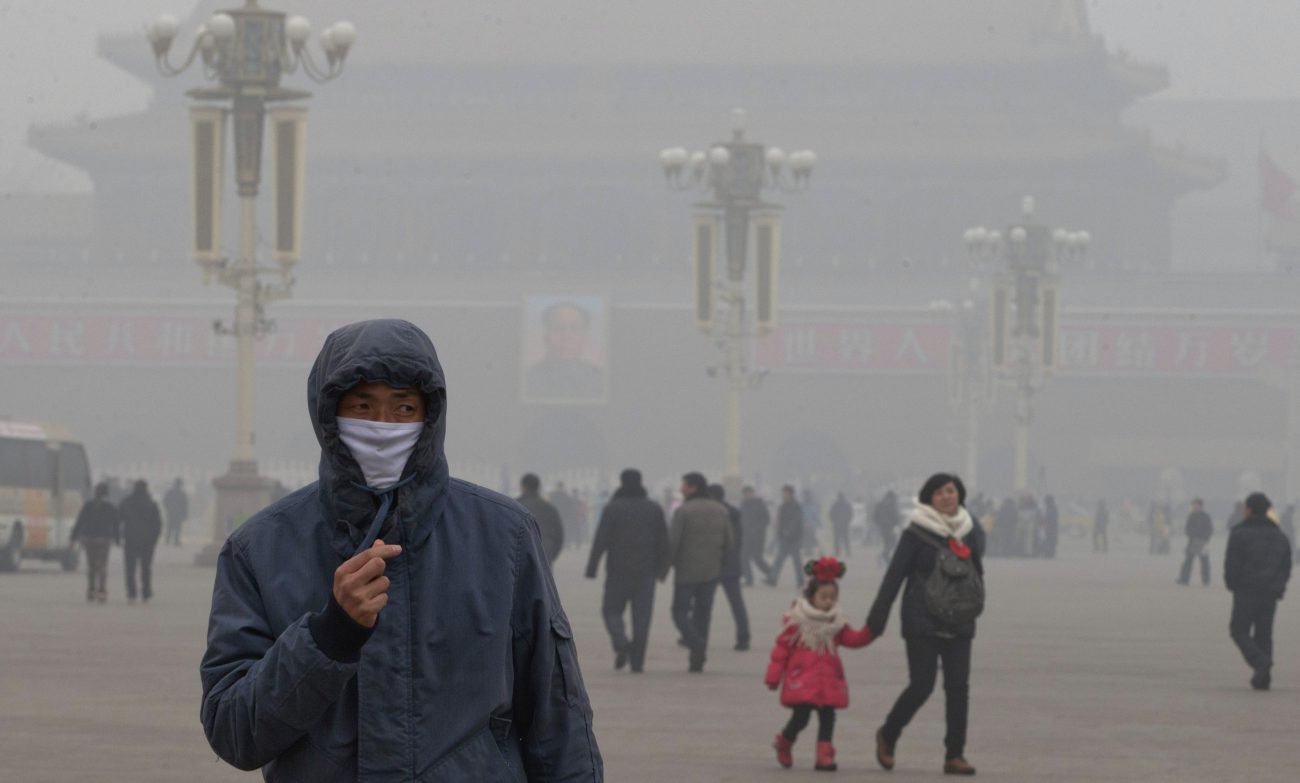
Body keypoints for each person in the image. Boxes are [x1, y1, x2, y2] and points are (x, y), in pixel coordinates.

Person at [200, 319, 602, 779]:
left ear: (430, 416)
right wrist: (328, 639)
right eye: (363, 407)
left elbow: (559, 718)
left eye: (404, 407)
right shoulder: (260, 549)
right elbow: (234, 732)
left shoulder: (504, 537)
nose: (382, 426)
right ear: (328, 414)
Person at [867, 473, 985, 777]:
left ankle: (955, 755)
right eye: (939, 492)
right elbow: (894, 577)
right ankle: (889, 734)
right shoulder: (916, 534)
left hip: (958, 619)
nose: (947, 496)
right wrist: (875, 621)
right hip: (921, 619)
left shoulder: (969, 531)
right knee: (922, 684)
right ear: (928, 498)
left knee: (958, 688)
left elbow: (976, 573)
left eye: (951, 490)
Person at [765, 557, 873, 771]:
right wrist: (774, 676)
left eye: (833, 597)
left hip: (828, 680)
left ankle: (824, 756)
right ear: (811, 596)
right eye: (824, 597)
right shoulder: (796, 621)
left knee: (828, 717)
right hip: (802, 679)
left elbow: (852, 639)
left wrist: (870, 632)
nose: (829, 602)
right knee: (801, 717)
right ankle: (784, 742)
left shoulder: (837, 623)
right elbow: (781, 650)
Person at [585, 468, 670, 673]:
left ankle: (621, 641)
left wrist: (592, 567)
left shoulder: (613, 508)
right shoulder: (654, 508)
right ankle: (637, 662)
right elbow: (664, 542)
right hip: (646, 572)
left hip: (618, 571)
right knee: (642, 619)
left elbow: (601, 539)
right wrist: (662, 570)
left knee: (611, 610)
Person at [1223, 492, 1292, 691]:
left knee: (1238, 630)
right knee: (1264, 634)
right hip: (1270, 592)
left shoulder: (1239, 534)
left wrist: (1232, 584)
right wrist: (1279, 586)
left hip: (1246, 590)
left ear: (1250, 510)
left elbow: (1232, 564)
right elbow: (1285, 567)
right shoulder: (1279, 536)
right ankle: (1263, 677)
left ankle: (1260, 661)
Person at [667, 471, 733, 672]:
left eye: (684, 485)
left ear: (693, 487)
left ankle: (695, 643)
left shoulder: (684, 511)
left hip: (686, 572)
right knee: (703, 614)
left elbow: (673, 543)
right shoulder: (721, 510)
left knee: (679, 611)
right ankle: (698, 657)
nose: (681, 489)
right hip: (712, 571)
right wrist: (721, 565)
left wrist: (663, 568)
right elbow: (729, 543)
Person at [524, 301, 606, 401]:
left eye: (574, 328)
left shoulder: (599, 379)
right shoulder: (528, 378)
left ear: (585, 336)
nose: (566, 336)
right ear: (545, 336)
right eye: (557, 328)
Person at [709, 483, 751, 652]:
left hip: (712, 565)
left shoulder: (712, 514)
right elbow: (738, 541)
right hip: (731, 565)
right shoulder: (734, 513)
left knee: (703, 604)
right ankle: (743, 636)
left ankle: (695, 635)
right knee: (736, 603)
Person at [70, 481, 120, 603]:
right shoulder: (110, 507)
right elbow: (116, 524)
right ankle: (102, 591)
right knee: (102, 566)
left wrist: (73, 537)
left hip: (89, 539)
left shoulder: (88, 506)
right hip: (104, 539)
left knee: (91, 566)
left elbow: (80, 522)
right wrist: (117, 539)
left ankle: (91, 590)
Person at [118, 479, 162, 604]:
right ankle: (146, 592)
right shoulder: (151, 504)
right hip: (147, 541)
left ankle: (132, 593)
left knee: (130, 568)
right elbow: (158, 524)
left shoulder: (126, 502)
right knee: (146, 568)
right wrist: (154, 539)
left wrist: (119, 536)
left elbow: (118, 519)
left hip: (130, 540)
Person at [517, 473, 564, 565]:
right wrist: (550, 555)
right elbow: (559, 536)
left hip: (518, 558)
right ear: (538, 487)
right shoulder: (550, 508)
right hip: (544, 555)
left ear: (523, 486)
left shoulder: (514, 506)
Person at [766, 486, 805, 588]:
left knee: (797, 561)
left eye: (786, 493)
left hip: (794, 538)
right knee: (779, 559)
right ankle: (772, 579)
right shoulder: (783, 506)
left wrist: (789, 531)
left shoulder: (796, 506)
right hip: (783, 537)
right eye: (783, 493)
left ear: (791, 494)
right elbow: (780, 521)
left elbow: (797, 521)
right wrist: (780, 533)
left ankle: (800, 580)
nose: (784, 495)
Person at [739, 485, 773, 586]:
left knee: (757, 558)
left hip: (758, 537)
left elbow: (766, 520)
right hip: (745, 536)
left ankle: (771, 573)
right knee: (744, 557)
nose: (747, 495)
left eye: (749, 493)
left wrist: (757, 529)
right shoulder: (743, 505)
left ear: (752, 494)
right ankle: (749, 579)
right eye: (745, 494)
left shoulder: (759, 504)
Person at [1178, 499, 1213, 586]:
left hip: (1203, 542)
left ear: (1200, 506)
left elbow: (1209, 528)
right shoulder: (1191, 516)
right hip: (1192, 541)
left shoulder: (1205, 517)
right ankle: (1184, 579)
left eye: (1196, 505)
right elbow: (1187, 528)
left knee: (1205, 562)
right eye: (1194, 505)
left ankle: (1206, 580)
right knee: (1188, 561)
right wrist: (1191, 536)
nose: (1195, 507)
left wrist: (1206, 538)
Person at [872, 490, 901, 565]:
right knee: (891, 543)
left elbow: (875, 516)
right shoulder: (891, 504)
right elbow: (894, 515)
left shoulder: (880, 504)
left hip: (883, 527)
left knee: (887, 543)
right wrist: (898, 522)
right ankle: (884, 557)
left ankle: (884, 557)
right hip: (889, 527)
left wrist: (879, 524)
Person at [163, 477, 188, 547]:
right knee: (177, 528)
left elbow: (165, 501)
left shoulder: (170, 492)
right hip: (178, 514)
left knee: (170, 527)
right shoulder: (182, 494)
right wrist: (184, 514)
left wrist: (168, 509)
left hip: (171, 513)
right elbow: (185, 505)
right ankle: (176, 541)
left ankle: (167, 540)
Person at [829, 492, 853, 559]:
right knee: (845, 539)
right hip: (844, 524)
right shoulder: (846, 504)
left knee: (838, 539)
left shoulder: (835, 505)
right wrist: (847, 521)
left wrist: (834, 521)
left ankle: (838, 551)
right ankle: (847, 551)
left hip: (838, 524)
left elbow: (831, 514)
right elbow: (850, 514)